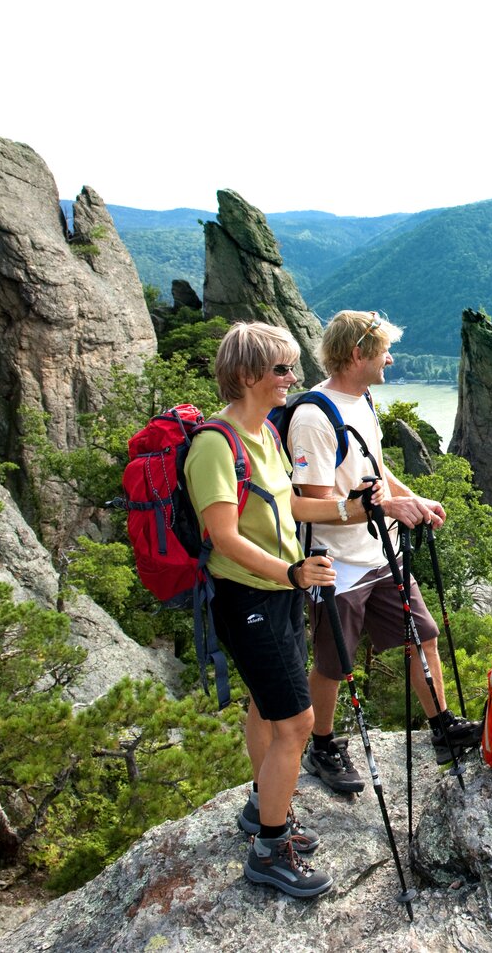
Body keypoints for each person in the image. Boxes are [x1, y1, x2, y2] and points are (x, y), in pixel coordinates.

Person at [184, 321, 379, 899]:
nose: (292, 380)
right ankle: (270, 848)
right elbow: (222, 536)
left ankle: (261, 803)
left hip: (278, 595)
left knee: (266, 709)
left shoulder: (265, 433)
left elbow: (288, 502)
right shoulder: (214, 446)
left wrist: (354, 508)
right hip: (247, 597)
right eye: (281, 370)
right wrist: (291, 571)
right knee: (297, 722)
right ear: (247, 376)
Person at [287, 310, 481, 795]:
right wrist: (380, 508)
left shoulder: (363, 398)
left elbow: (374, 469)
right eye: (383, 351)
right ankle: (324, 745)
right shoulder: (314, 417)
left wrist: (408, 498)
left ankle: (442, 730)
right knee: (334, 664)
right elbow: (308, 506)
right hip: (339, 566)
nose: (390, 359)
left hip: (382, 554)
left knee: (424, 637)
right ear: (357, 354)